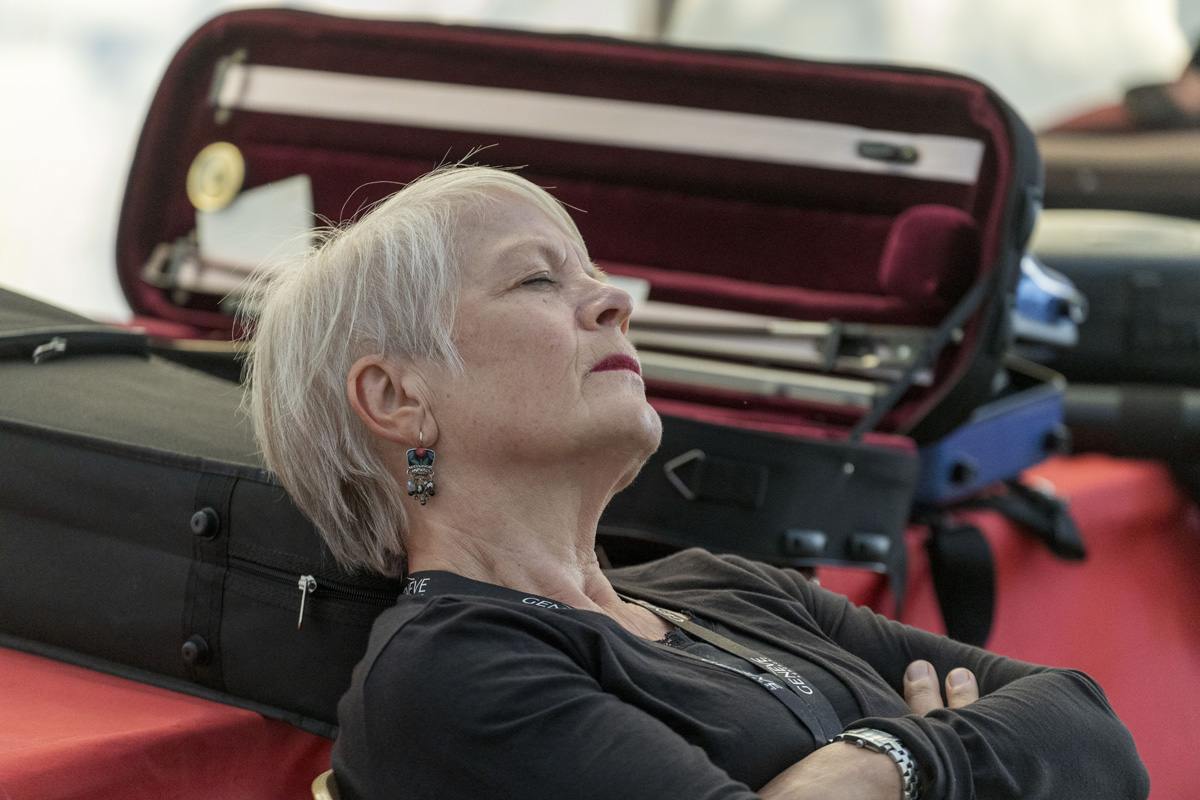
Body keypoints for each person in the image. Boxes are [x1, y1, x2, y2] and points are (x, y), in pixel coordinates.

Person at [246, 165, 1149, 800]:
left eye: (596, 274)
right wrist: (953, 751)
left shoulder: (723, 585)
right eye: (537, 280)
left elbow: (1092, 732)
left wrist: (879, 766)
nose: (615, 302)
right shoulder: (448, 674)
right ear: (397, 398)